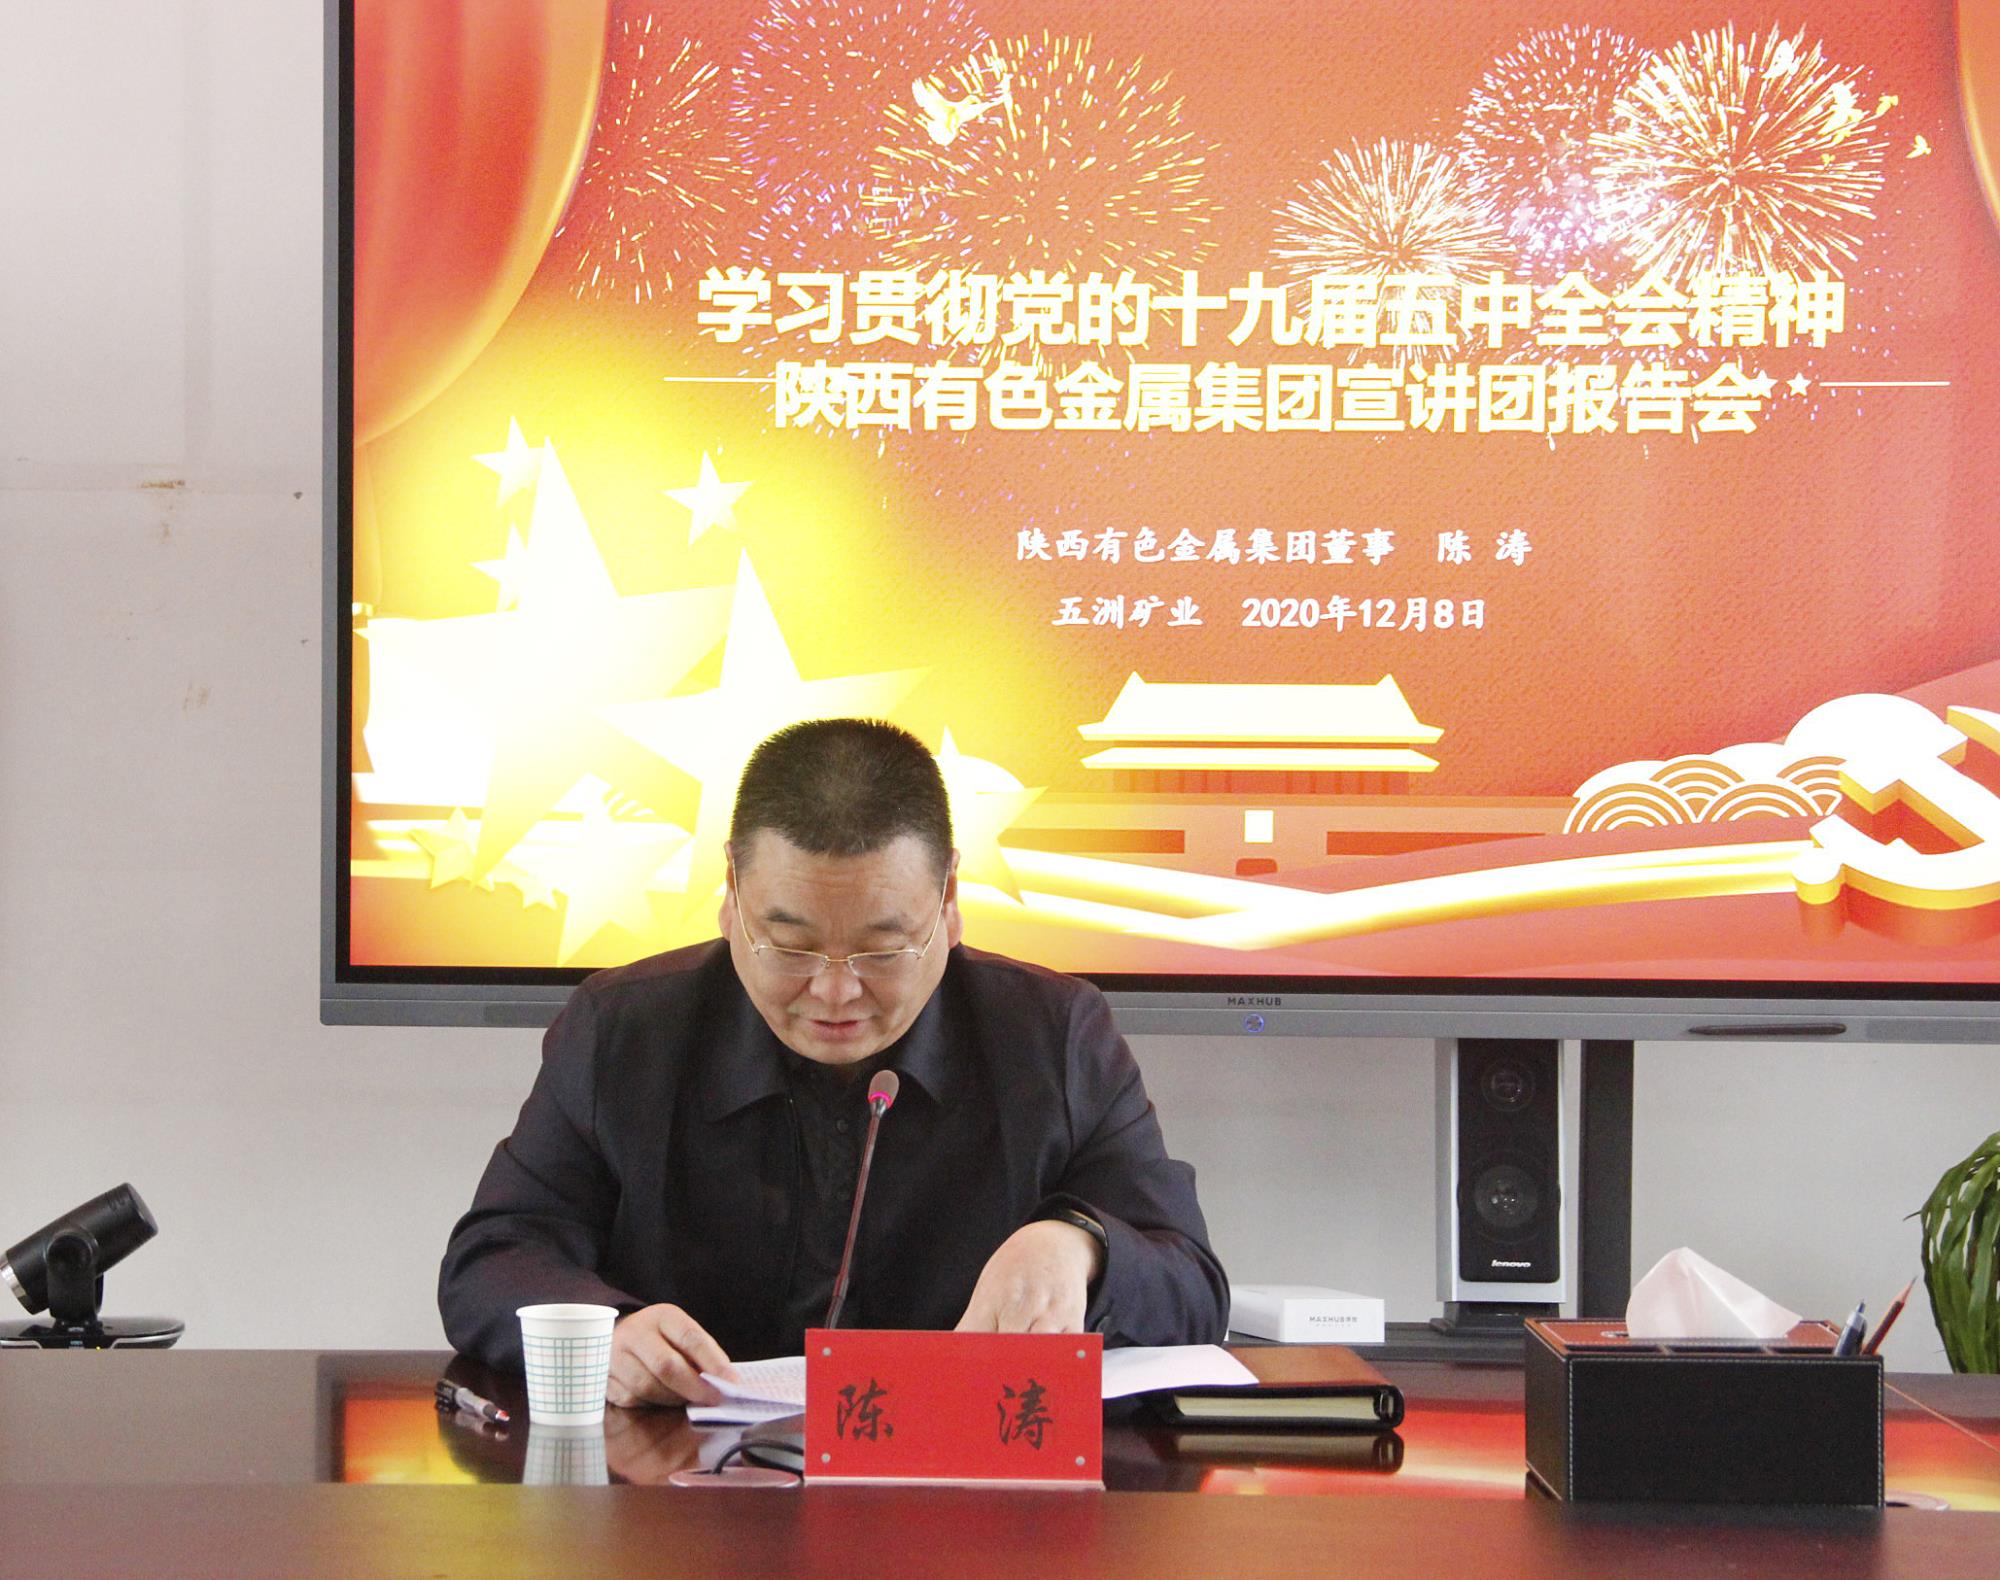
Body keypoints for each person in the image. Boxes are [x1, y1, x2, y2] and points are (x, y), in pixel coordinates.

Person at [438, 718, 1228, 1408]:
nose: (835, 991)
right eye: (790, 945)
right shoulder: (624, 1030)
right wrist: (607, 1334)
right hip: (685, 1494)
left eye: (884, 949)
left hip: (962, 1493)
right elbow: (495, 1258)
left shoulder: (1052, 1035)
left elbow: (1193, 1285)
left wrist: (1079, 1244)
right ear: (730, 895)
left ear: (950, 901)